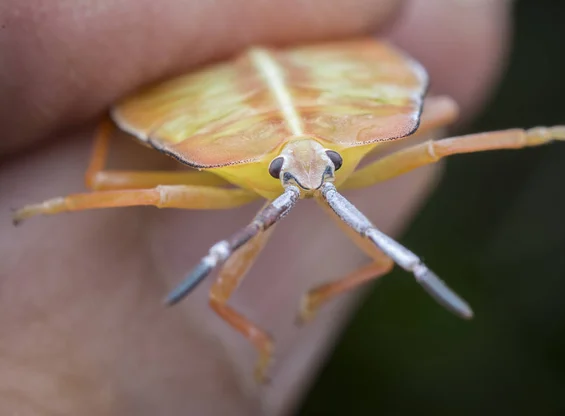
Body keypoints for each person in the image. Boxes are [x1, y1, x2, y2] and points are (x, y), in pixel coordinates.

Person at [0, 0, 511, 414]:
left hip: (236, 78)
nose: (312, 181)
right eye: (289, 175)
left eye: (329, 166)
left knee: (384, 243)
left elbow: (443, 132)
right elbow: (441, 119)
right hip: (310, 65)